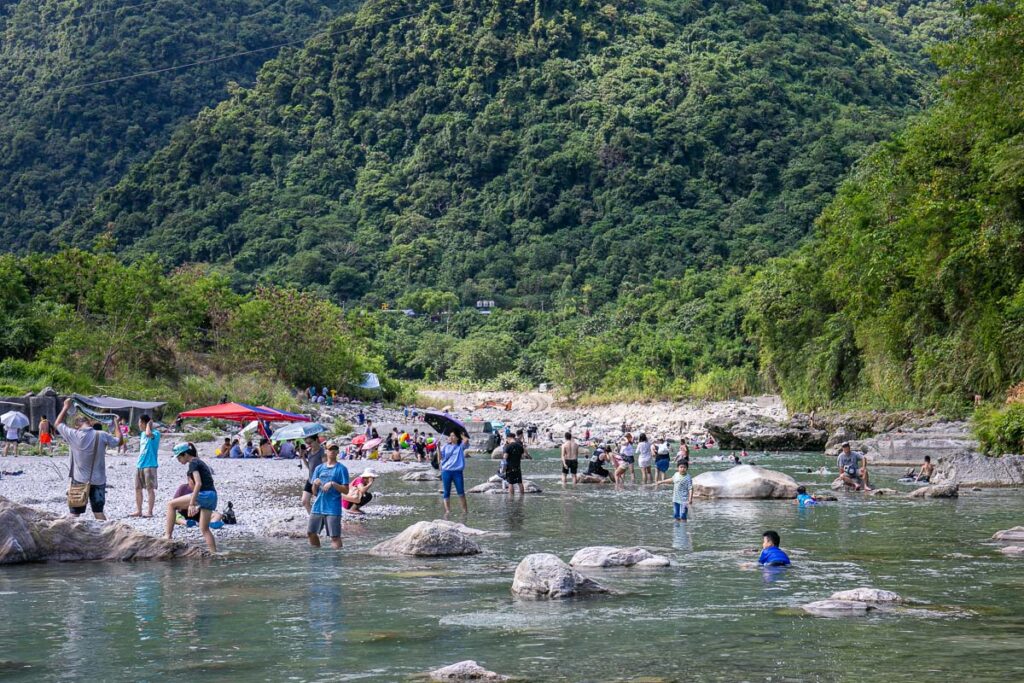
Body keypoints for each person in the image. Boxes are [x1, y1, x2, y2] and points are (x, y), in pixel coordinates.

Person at [55, 398, 122, 519]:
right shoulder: (102, 435)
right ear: (89, 423)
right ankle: (105, 536)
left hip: (79, 480)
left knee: (74, 514)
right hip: (98, 480)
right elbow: (119, 441)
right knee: (98, 512)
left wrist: (65, 407)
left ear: (76, 426)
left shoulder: (73, 434)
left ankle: (70, 536)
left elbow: (57, 424)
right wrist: (116, 423)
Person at [166, 443, 218, 552]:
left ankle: (168, 536)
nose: (178, 460)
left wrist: (191, 503)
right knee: (204, 529)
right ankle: (214, 553)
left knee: (171, 505)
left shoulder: (193, 463)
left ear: (185, 454)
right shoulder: (199, 461)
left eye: (179, 457)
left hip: (204, 494)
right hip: (212, 496)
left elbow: (198, 484)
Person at [307, 444, 350, 549]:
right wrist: (315, 485)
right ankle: (316, 555)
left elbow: (346, 490)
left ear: (337, 452)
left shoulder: (342, 469)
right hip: (318, 506)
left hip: (333, 508)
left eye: (335, 449)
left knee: (334, 536)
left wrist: (333, 484)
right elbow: (314, 492)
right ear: (326, 451)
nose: (332, 451)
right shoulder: (319, 468)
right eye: (330, 449)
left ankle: (336, 561)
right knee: (311, 533)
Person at [130, 414, 160, 518]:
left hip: (150, 465)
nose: (138, 425)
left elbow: (148, 434)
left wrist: (149, 424)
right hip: (140, 464)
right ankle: (139, 510)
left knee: (149, 489)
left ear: (144, 423)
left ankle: (150, 512)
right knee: (137, 488)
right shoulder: (142, 434)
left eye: (139, 422)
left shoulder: (156, 434)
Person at [439, 431, 470, 515]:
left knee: (461, 491)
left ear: (457, 438)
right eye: (450, 435)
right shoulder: (445, 446)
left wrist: (460, 434)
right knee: (446, 492)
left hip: (457, 472)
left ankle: (465, 511)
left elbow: (466, 440)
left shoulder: (460, 446)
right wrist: (438, 447)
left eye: (453, 436)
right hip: (446, 471)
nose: (451, 437)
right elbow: (440, 458)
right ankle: (448, 511)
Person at [301, 435, 326, 513]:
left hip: (319, 481)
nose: (309, 444)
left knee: (321, 503)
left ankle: (322, 519)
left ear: (316, 440)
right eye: (307, 443)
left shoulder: (322, 452)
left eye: (310, 442)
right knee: (304, 501)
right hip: (310, 479)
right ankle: (312, 517)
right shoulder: (309, 452)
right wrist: (303, 457)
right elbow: (309, 467)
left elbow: (325, 467)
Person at [503, 432, 532, 496]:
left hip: (510, 467)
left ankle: (511, 497)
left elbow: (505, 457)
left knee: (511, 483)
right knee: (520, 482)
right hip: (518, 466)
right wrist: (529, 457)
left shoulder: (508, 446)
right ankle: (522, 497)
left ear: (508, 438)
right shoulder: (519, 446)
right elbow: (525, 455)